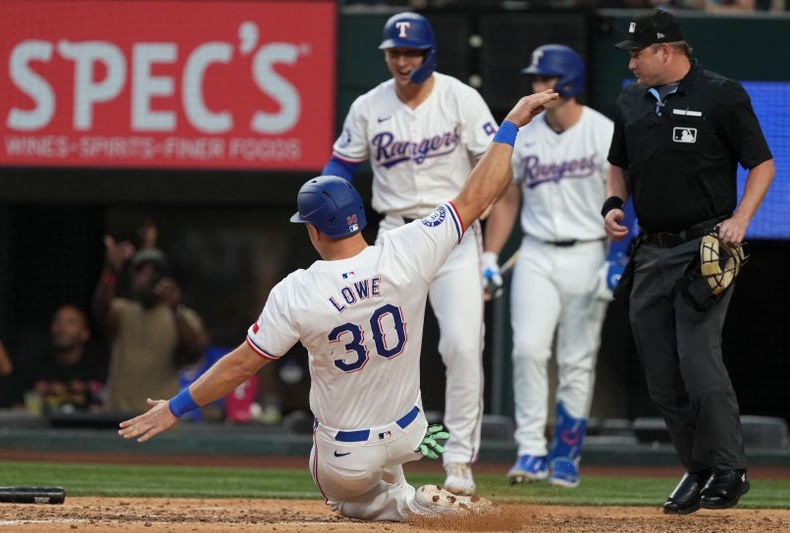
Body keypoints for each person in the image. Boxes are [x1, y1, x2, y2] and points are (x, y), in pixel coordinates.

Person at [119, 89, 559, 521]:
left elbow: (240, 367)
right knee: (385, 463)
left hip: (346, 456)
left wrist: (174, 407)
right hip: (413, 432)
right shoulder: (408, 248)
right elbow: (478, 196)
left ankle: (407, 504)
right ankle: (408, 491)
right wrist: (511, 124)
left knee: (344, 498)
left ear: (313, 231)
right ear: (359, 217)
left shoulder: (296, 291)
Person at [321, 11, 499, 495]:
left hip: (452, 232)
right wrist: (322, 192)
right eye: (394, 53)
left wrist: (489, 246)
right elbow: (342, 161)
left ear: (428, 55)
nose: (402, 61)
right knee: (383, 353)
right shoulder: (367, 105)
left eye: (411, 52)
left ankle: (458, 460)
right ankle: (385, 463)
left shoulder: (461, 98)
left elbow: (496, 163)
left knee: (462, 347)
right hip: (396, 235)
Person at [605, 10, 774, 514]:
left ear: (666, 51)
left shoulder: (722, 94)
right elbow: (618, 165)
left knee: (698, 360)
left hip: (703, 248)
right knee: (660, 373)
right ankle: (697, 468)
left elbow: (762, 163)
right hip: (649, 250)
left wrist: (741, 218)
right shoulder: (631, 100)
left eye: (638, 52)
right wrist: (614, 206)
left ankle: (729, 469)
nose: (632, 61)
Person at [482, 45, 616, 489]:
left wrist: (616, 259)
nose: (537, 88)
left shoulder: (601, 131)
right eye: (535, 80)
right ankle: (530, 450)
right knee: (528, 351)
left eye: (545, 80)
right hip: (537, 251)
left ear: (568, 83)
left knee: (577, 358)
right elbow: (507, 197)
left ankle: (567, 452)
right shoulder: (527, 133)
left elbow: (627, 200)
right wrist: (490, 256)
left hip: (588, 250)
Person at [94, 243, 207, 413]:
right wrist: (111, 271)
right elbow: (100, 311)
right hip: (118, 416)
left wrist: (174, 308)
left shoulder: (182, 316)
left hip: (160, 419)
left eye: (154, 272)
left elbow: (194, 351)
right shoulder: (124, 311)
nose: (146, 278)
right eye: (141, 272)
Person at [16, 305, 105, 413]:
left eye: (71, 323)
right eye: (57, 321)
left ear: (84, 333)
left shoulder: (97, 368)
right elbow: (18, 407)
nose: (62, 327)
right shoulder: (35, 367)